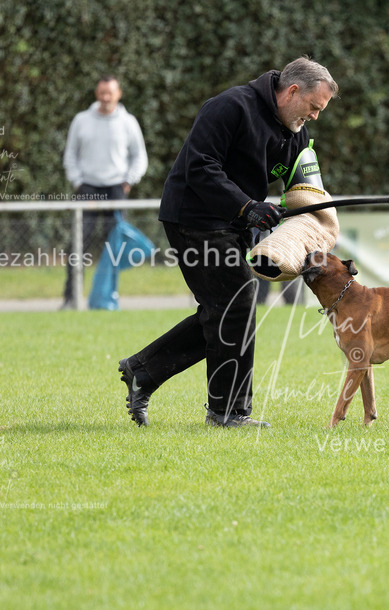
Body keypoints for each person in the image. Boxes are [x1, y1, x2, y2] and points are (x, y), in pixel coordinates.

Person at [118, 57, 337, 428]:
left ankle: (143, 370)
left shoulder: (296, 132)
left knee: (223, 312)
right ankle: (227, 412)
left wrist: (310, 218)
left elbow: (300, 189)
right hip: (194, 216)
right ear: (292, 91)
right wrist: (248, 207)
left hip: (233, 224)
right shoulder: (230, 107)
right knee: (236, 303)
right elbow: (200, 167)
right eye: (313, 107)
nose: (315, 117)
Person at [61, 75, 148, 309]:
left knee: (115, 248)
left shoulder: (128, 122)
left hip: (116, 189)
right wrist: (78, 181)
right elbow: (70, 155)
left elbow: (139, 156)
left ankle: (109, 297)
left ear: (118, 94)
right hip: (87, 188)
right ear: (96, 93)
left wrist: (128, 181)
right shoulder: (81, 120)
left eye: (110, 93)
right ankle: (71, 298)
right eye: (102, 93)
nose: (105, 97)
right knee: (78, 245)